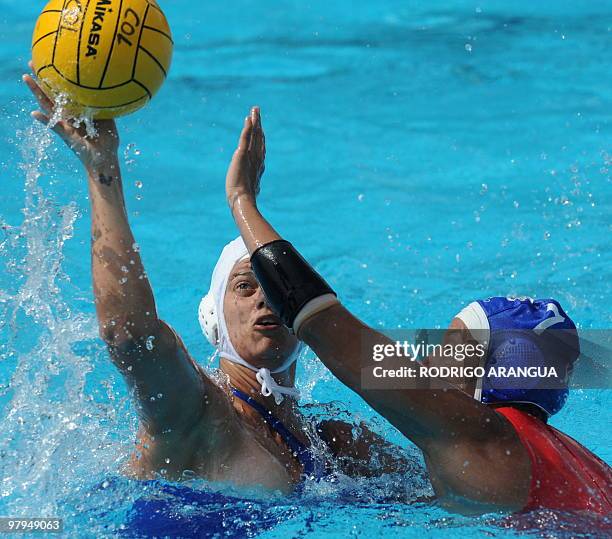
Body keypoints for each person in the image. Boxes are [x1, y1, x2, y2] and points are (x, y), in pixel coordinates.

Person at [22, 68, 408, 494]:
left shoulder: (335, 445)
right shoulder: (196, 413)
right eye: (245, 285)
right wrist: (102, 171)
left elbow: (454, 466)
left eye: (280, 287)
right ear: (212, 319)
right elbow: (129, 335)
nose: (267, 299)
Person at [224, 105, 612, 514]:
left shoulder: (481, 438)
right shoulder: (586, 467)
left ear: (487, 372)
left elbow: (321, 321)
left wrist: (241, 200)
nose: (427, 360)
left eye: (449, 346)